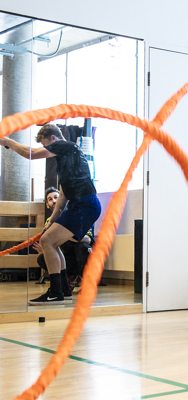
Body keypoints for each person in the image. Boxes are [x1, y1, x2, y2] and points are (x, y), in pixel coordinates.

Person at [0, 124, 101, 305]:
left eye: (46, 145)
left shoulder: (66, 146)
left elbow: (29, 153)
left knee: (47, 241)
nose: (46, 150)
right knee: (51, 242)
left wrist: (6, 141)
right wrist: (50, 223)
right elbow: (62, 198)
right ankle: (62, 290)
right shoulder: (67, 163)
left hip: (85, 205)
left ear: (53, 139)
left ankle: (55, 293)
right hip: (81, 205)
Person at [34, 186, 95, 293]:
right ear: (47, 205)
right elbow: (52, 246)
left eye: (56, 197)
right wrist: (46, 249)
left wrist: (66, 233)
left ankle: (86, 282)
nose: (54, 201)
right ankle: (66, 280)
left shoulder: (75, 215)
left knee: (83, 248)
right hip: (66, 258)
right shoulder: (49, 221)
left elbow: (87, 240)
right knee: (42, 258)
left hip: (81, 255)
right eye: (50, 199)